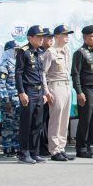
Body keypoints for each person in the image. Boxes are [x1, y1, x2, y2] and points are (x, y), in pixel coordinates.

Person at [15, 25, 49, 164]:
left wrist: (45, 92)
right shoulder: (24, 52)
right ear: (30, 38)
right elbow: (18, 74)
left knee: (37, 123)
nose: (42, 39)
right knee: (26, 123)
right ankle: (24, 152)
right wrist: (21, 92)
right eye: (39, 37)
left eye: (42, 37)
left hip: (39, 91)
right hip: (28, 91)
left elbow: (41, 73)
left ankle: (34, 152)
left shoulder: (40, 52)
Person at [71, 25, 93, 159]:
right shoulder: (80, 52)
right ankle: (81, 148)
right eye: (92, 37)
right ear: (85, 38)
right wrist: (79, 92)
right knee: (85, 120)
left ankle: (89, 146)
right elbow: (75, 74)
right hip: (87, 90)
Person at [43, 25, 74, 162]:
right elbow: (42, 73)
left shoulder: (66, 50)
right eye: (64, 34)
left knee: (64, 119)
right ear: (56, 36)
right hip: (55, 86)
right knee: (56, 119)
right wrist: (46, 91)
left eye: (68, 34)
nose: (67, 36)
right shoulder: (50, 52)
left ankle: (61, 147)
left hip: (66, 86)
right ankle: (54, 150)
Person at [0, 40, 21, 157]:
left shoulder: (17, 63)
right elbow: (2, 84)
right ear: (9, 50)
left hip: (18, 99)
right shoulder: (4, 63)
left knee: (17, 125)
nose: (17, 52)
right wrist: (6, 100)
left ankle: (16, 147)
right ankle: (7, 148)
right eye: (15, 50)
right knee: (8, 125)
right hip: (8, 99)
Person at [38, 28, 54, 156]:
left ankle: (47, 144)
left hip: (51, 89)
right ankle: (41, 146)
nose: (50, 40)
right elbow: (41, 74)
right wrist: (44, 92)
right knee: (41, 120)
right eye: (48, 38)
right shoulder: (38, 53)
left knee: (49, 119)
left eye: (51, 38)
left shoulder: (50, 52)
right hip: (41, 90)